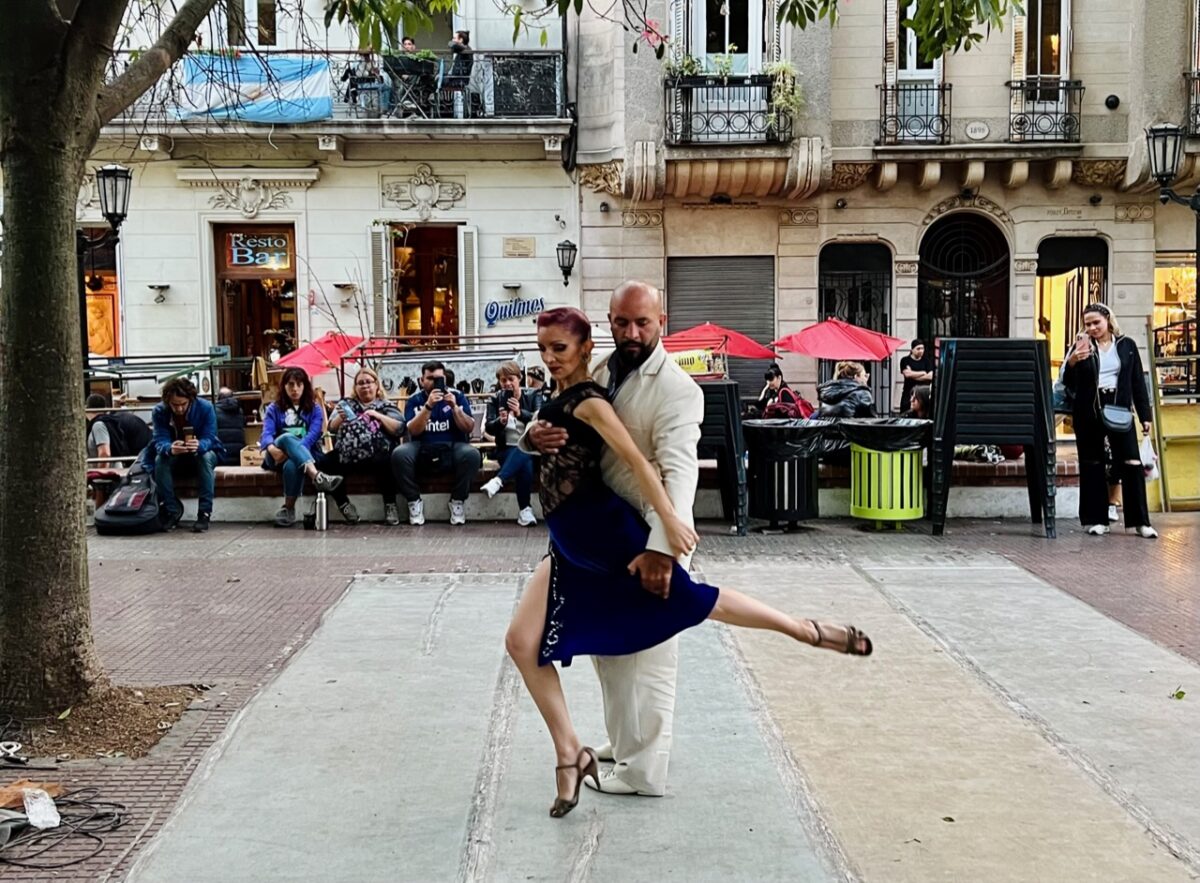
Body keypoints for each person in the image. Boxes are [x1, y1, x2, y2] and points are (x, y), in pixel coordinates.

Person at [506, 307, 873, 819]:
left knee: (691, 604)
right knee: (524, 643)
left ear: (585, 347)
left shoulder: (598, 396)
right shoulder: (596, 375)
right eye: (542, 349)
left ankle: (805, 629)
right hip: (570, 542)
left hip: (607, 534)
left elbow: (643, 461)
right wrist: (532, 437)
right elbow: (543, 435)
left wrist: (668, 529)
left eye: (559, 349)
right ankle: (572, 752)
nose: (548, 358)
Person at [1062, 303, 1157, 538]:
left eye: (1097, 322)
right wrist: (1073, 361)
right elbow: (1067, 382)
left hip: (1119, 409)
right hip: (1089, 410)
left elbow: (1137, 383)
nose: (1093, 328)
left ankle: (1140, 522)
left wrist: (1145, 416)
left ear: (1108, 320)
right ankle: (1097, 520)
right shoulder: (1081, 346)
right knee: (1092, 463)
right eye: (1088, 324)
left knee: (1132, 462)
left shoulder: (1127, 346)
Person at [393, 360, 482, 526]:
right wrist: (428, 406)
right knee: (400, 454)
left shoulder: (457, 396)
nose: (435, 382)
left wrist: (455, 407)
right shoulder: (415, 400)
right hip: (422, 446)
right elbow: (412, 430)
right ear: (421, 380)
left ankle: (457, 501)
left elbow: (469, 427)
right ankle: (414, 501)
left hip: (452, 445)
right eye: (430, 378)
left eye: (439, 378)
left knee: (472, 455)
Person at [315, 367, 405, 525]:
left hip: (377, 454)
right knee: (325, 463)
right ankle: (344, 504)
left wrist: (377, 416)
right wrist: (341, 418)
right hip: (349, 454)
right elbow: (331, 428)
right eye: (360, 383)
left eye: (369, 382)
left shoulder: (385, 405)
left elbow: (399, 428)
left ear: (377, 385)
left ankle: (390, 505)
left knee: (391, 458)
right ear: (355, 387)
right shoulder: (346, 404)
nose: (365, 386)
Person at [260, 367, 344, 527]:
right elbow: (266, 434)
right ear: (284, 386)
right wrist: (272, 449)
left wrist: (293, 451)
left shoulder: (315, 409)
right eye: (290, 384)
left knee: (293, 465)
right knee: (285, 437)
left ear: (305, 386)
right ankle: (318, 476)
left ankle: (288, 510)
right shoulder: (274, 408)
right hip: (276, 454)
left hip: (303, 455)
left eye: (299, 384)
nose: (295, 389)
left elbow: (313, 435)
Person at [147, 378, 224, 532]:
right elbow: (159, 439)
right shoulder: (160, 411)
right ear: (168, 401)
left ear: (191, 399)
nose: (180, 409)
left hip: (204, 452)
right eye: (175, 405)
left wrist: (200, 445)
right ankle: (171, 510)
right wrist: (169, 448)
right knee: (160, 460)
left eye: (183, 404)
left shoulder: (206, 407)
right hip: (176, 454)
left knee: (205, 457)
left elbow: (211, 437)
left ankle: (204, 512)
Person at [482, 360, 540, 527]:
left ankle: (498, 481)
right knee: (525, 461)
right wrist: (501, 421)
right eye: (503, 380)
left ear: (519, 379)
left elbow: (539, 419)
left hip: (534, 448)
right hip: (506, 449)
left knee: (526, 452)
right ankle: (525, 511)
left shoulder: (533, 395)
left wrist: (520, 413)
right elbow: (489, 428)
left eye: (511, 379)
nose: (507, 383)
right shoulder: (495, 399)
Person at [86, 394, 152, 467]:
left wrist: (99, 474)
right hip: (145, 452)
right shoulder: (112, 421)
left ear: (87, 409)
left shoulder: (99, 424)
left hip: (141, 455)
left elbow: (105, 454)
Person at [898, 339, 934, 414]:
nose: (921, 351)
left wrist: (913, 374)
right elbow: (907, 374)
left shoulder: (926, 361)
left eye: (922, 348)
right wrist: (923, 372)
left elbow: (930, 376)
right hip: (907, 394)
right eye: (918, 348)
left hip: (922, 395)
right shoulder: (905, 360)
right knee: (905, 414)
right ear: (912, 349)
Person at [214, 387, 246, 466]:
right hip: (238, 455)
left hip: (221, 455)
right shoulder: (239, 410)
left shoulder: (213, 411)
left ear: (218, 398)